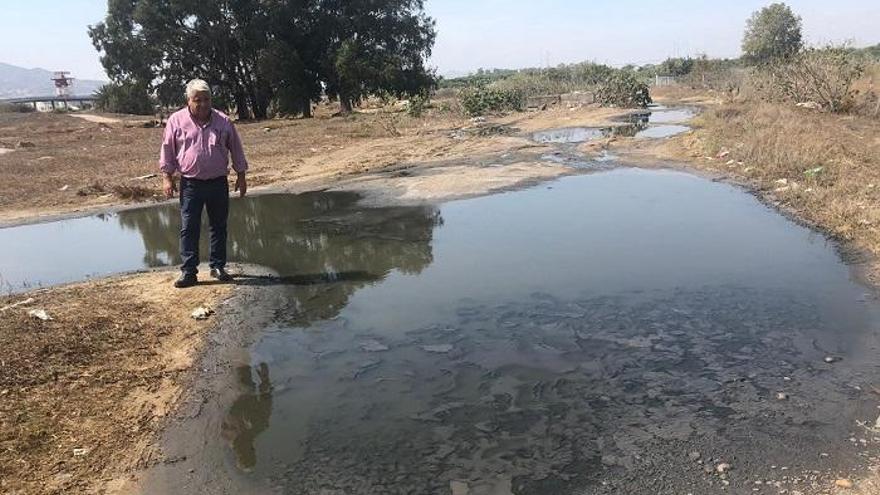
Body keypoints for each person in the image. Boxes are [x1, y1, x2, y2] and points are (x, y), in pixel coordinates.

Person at [159, 79, 249, 288]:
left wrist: (241, 175)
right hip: (190, 184)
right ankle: (189, 271)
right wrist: (167, 177)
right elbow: (168, 150)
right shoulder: (176, 120)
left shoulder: (223, 121)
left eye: (206, 99)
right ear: (188, 100)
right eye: (197, 100)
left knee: (218, 226)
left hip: (218, 182)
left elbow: (236, 148)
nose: (202, 104)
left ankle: (218, 267)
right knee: (189, 227)